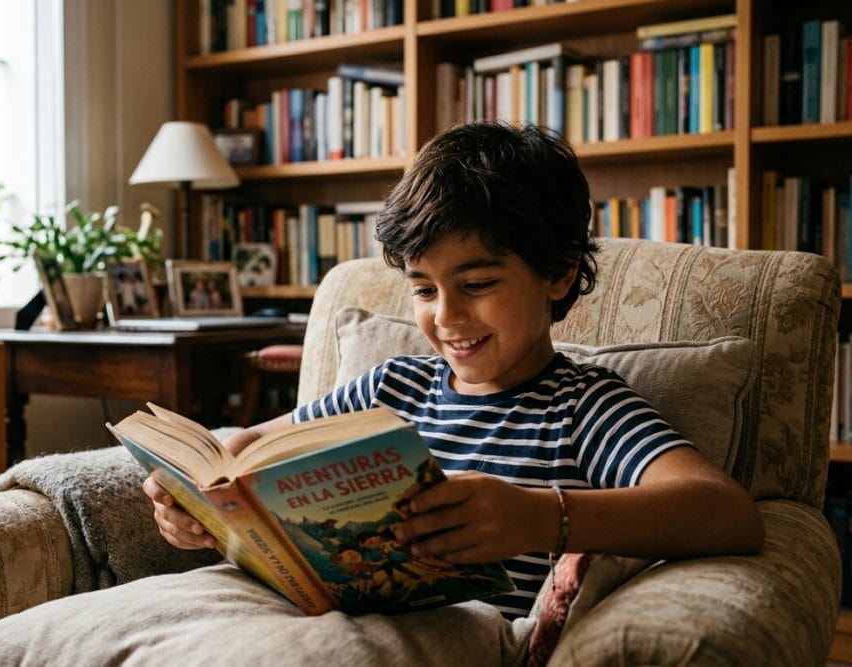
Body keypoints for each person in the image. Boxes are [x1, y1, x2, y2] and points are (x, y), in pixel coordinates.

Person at [143, 122, 764, 621]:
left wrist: (541, 517)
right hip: (337, 620)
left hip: (464, 638)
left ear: (559, 273)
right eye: (422, 289)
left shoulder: (582, 406)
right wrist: (201, 502)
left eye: (478, 283)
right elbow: (250, 451)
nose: (447, 316)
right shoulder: (391, 387)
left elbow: (728, 514)